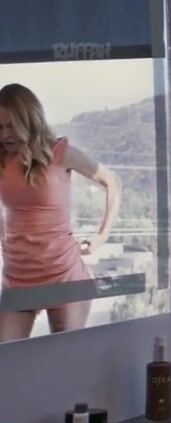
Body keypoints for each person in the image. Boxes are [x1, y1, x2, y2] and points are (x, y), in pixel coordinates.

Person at [0, 83, 121, 340]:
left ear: (29, 120)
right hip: (18, 276)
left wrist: (101, 237)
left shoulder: (59, 153)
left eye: (11, 126)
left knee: (65, 359)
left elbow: (112, 182)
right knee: (7, 359)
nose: (5, 135)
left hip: (63, 275)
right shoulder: (2, 159)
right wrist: (4, 239)